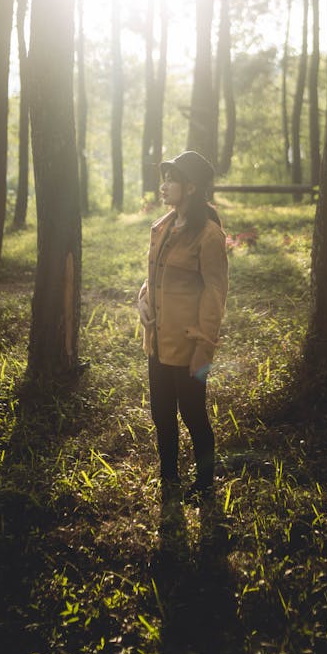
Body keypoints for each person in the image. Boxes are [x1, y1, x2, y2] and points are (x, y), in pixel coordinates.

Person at [138, 151, 229, 502]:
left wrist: (204, 347)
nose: (163, 186)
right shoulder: (161, 226)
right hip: (158, 341)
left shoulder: (208, 236)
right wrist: (142, 300)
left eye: (171, 180)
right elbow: (153, 276)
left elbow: (215, 294)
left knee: (193, 414)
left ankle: (206, 484)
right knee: (161, 413)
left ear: (190, 187)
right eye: (164, 179)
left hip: (190, 345)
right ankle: (169, 477)